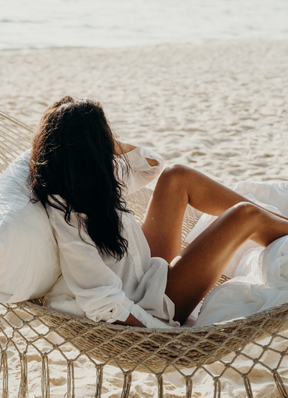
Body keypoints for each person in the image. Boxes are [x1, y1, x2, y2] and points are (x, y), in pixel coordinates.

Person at [29, 96, 288, 329]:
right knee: (245, 215)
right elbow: (100, 300)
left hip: (147, 273)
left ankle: (278, 223)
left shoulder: (88, 182)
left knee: (176, 176)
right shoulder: (68, 218)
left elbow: (152, 166)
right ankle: (276, 225)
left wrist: (108, 144)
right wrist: (161, 331)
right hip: (156, 303)